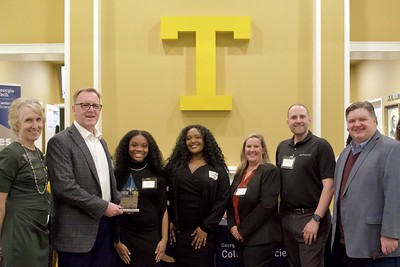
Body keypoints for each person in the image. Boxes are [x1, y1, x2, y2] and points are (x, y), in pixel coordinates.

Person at [46, 88, 123, 267]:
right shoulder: (60, 142)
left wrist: (129, 203)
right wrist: (104, 206)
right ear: (74, 109)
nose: (91, 110)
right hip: (76, 236)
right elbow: (65, 187)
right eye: (85, 105)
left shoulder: (100, 141)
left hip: (105, 230)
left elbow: (107, 184)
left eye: (95, 105)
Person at [331, 101, 400, 266]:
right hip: (348, 244)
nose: (357, 125)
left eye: (362, 119)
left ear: (374, 121)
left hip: (378, 246)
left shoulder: (392, 149)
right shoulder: (345, 152)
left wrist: (391, 233)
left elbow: (396, 195)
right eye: (351, 121)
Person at [275, 104, 336, 267]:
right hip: (287, 219)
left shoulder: (321, 146)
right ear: (287, 121)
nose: (298, 121)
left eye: (302, 116)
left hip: (311, 218)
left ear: (309, 119)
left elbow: (329, 186)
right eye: (294, 117)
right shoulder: (282, 147)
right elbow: (280, 185)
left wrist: (316, 219)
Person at [165, 124, 230, 267]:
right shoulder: (174, 166)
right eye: (188, 138)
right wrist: (168, 220)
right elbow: (165, 194)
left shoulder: (217, 168)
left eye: (197, 137)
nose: (193, 141)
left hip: (204, 234)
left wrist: (205, 228)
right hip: (178, 233)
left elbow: (223, 200)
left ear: (205, 140)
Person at [0, 98, 50, 267]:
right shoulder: (10, 154)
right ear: (16, 124)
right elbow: (0, 204)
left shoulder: (39, 153)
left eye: (38, 119)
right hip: (19, 230)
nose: (35, 125)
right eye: (28, 120)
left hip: (40, 230)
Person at [113, 130, 168, 266]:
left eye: (144, 146)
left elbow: (163, 209)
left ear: (150, 149)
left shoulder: (158, 173)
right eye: (134, 145)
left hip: (151, 236)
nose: (139, 149)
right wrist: (117, 242)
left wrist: (164, 240)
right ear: (127, 147)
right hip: (126, 236)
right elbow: (112, 210)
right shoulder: (117, 174)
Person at [227, 133, 282, 267]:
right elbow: (230, 202)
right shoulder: (241, 172)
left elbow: (267, 205)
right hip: (240, 238)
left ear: (263, 149)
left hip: (261, 238)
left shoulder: (270, 171)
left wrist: (242, 230)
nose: (252, 150)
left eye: (256, 146)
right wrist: (233, 227)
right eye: (248, 146)